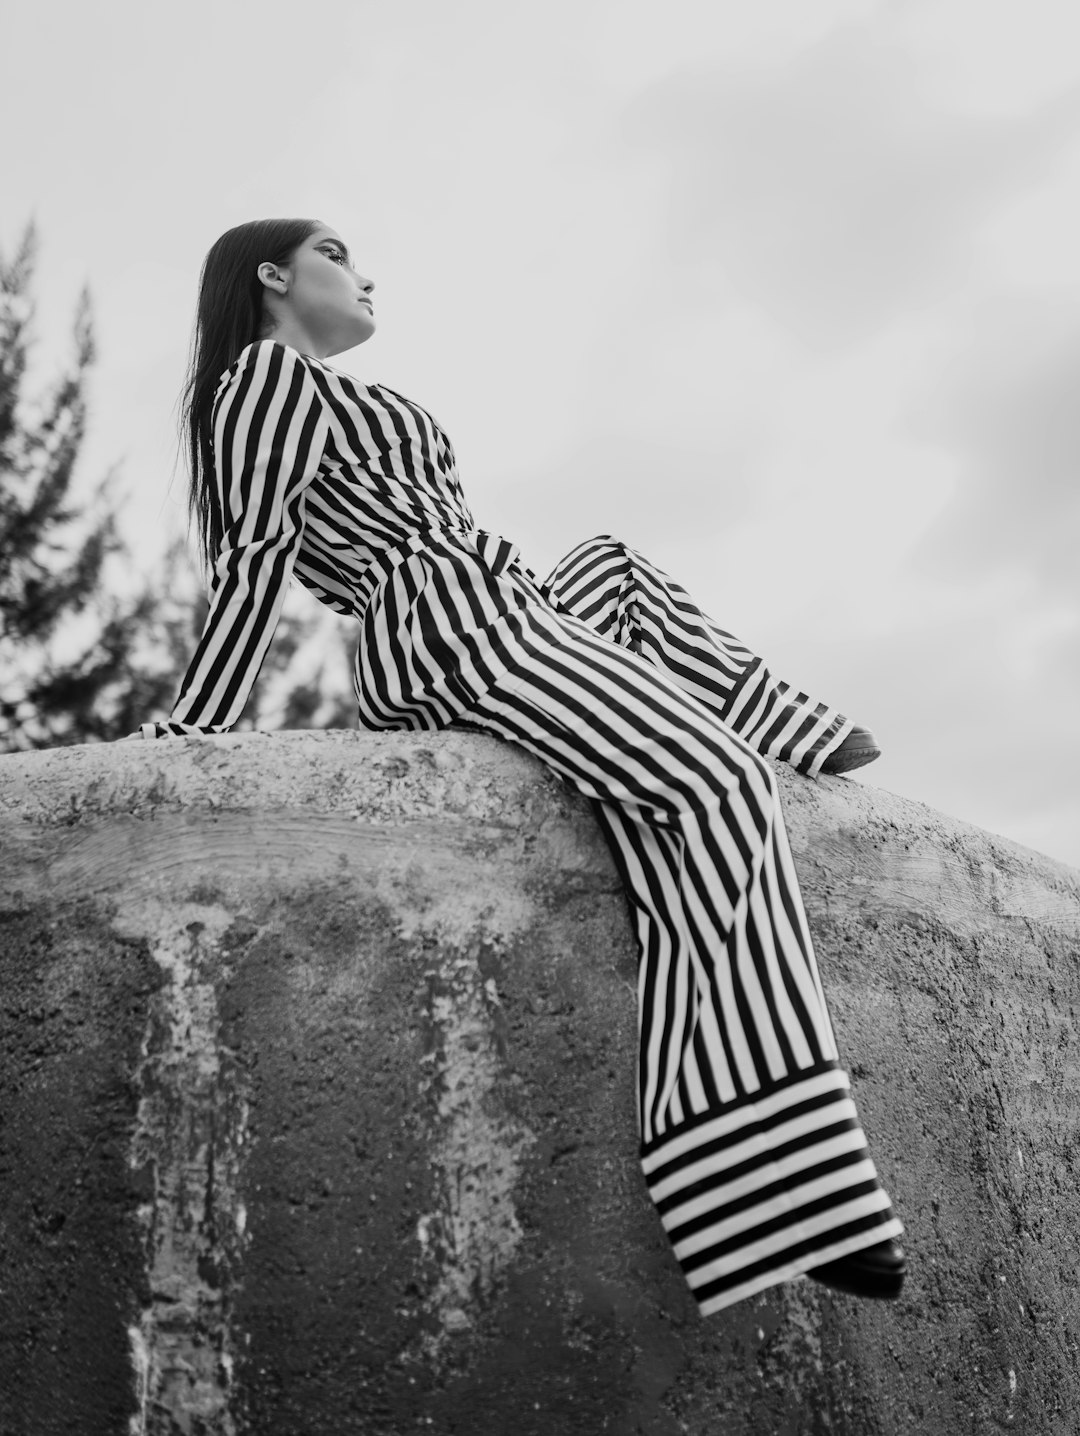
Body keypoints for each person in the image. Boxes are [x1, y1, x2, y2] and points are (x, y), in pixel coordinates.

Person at [135, 217, 906, 1316]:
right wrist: (200, 723)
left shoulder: (325, 388)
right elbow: (253, 558)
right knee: (717, 788)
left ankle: (779, 713)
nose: (366, 274)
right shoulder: (262, 375)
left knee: (615, 565)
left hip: (509, 606)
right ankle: (778, 1183)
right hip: (459, 629)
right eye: (339, 253)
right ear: (274, 274)